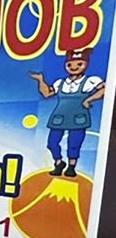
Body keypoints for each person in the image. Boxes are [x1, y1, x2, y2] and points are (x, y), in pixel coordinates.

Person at [29, 48, 106, 178]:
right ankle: (59, 162)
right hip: (60, 116)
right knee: (52, 142)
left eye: (79, 64)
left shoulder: (90, 81)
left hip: (78, 117)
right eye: (70, 64)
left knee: (74, 143)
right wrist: (41, 80)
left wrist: (89, 99)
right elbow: (47, 93)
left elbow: (106, 88)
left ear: (86, 64)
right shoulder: (61, 83)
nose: (74, 67)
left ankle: (71, 167)